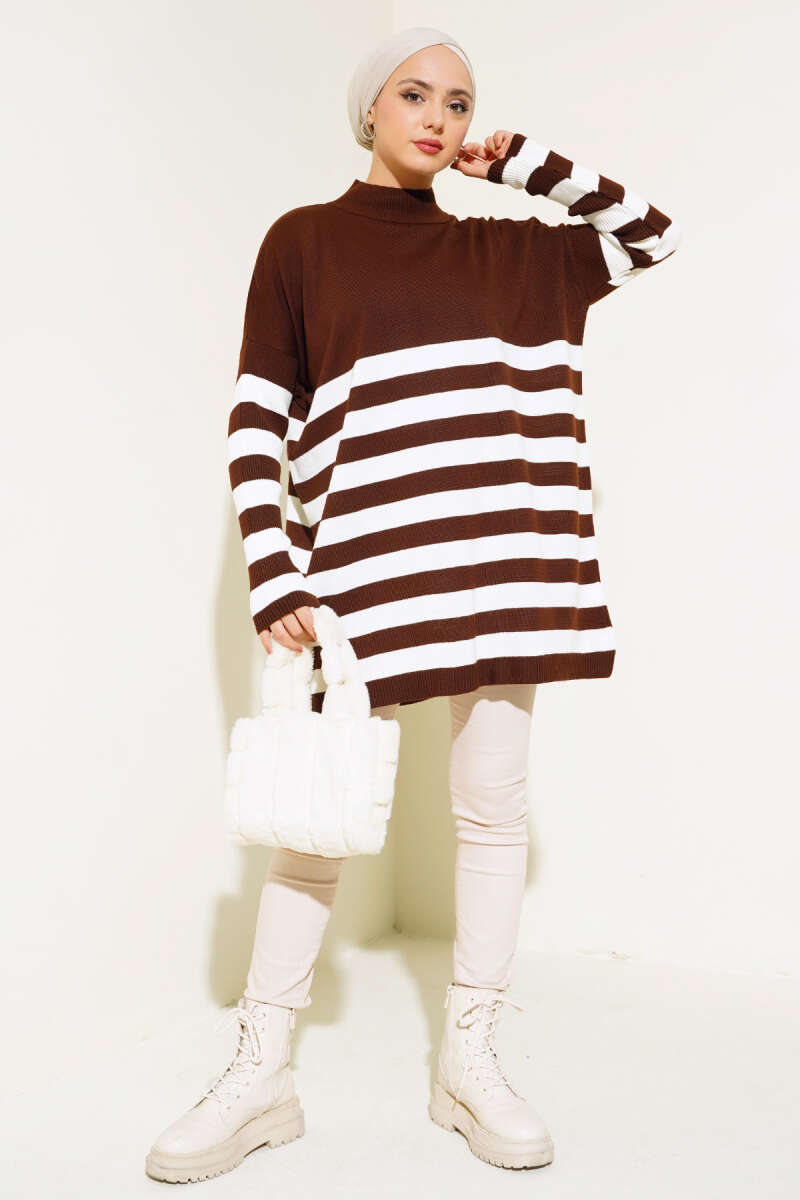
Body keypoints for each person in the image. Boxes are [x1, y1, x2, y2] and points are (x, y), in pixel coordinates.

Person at [145, 24, 680, 1183]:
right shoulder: (303, 242)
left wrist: (521, 163)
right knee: (312, 823)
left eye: (457, 102)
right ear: (368, 112)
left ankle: (467, 1063)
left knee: (490, 810)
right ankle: (261, 1073)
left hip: (500, 569)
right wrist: (275, 566)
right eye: (412, 94)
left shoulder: (508, 250)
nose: (435, 117)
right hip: (361, 574)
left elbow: (648, 234)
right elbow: (255, 416)